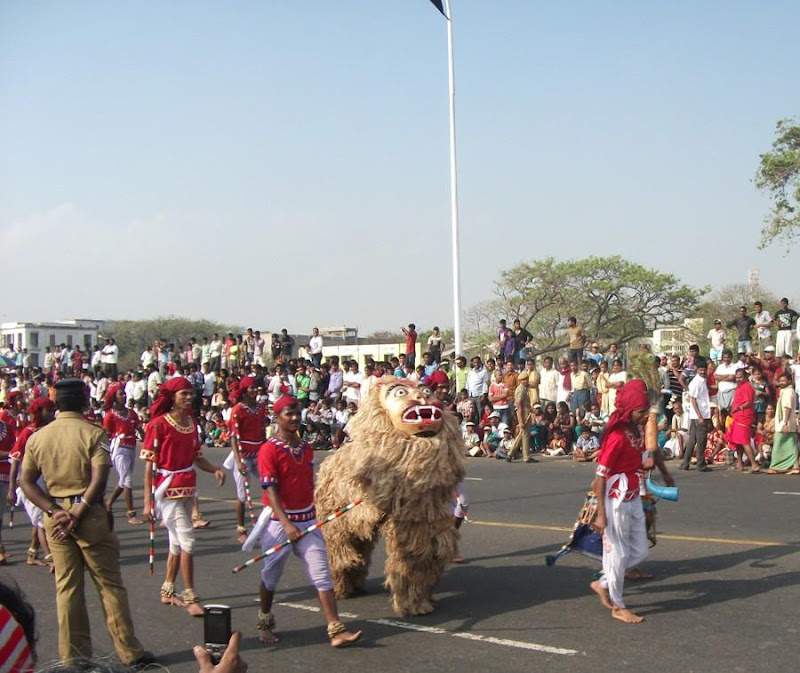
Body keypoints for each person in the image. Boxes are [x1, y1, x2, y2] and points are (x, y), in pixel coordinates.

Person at [19, 378, 153, 665]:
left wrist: (54, 510)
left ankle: (74, 658)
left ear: (57, 404)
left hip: (55, 518)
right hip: (88, 513)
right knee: (109, 585)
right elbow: (100, 477)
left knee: (67, 588)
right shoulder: (94, 434)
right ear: (83, 402)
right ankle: (129, 652)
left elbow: (27, 482)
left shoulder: (38, 437)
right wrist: (79, 510)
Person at [255, 395, 362, 647]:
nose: (293, 418)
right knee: (271, 575)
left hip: (307, 519)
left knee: (322, 574)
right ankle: (264, 622)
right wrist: (287, 524)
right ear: (277, 417)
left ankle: (335, 630)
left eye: (296, 413)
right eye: (288, 414)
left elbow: (306, 484)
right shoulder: (268, 449)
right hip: (278, 522)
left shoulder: (305, 448)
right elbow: (271, 491)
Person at [141, 377, 226, 617]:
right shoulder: (158, 425)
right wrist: (147, 502)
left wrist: (215, 469)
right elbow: (149, 465)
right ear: (172, 397)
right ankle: (190, 595)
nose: (189, 398)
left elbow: (197, 458)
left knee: (176, 543)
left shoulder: (191, 422)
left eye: (190, 393)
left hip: (188, 487)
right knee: (188, 541)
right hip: (167, 491)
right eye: (183, 394)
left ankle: (168, 590)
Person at [589, 379, 673, 624]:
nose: (644, 415)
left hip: (634, 495)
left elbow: (643, 456)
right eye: (641, 411)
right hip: (616, 500)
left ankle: (603, 582)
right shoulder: (616, 437)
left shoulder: (635, 431)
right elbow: (600, 476)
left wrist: (658, 470)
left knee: (639, 551)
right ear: (628, 411)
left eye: (646, 410)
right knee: (617, 555)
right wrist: (601, 514)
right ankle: (618, 605)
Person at [7, 398, 56, 569]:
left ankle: (32, 554)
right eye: (48, 411)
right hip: (29, 485)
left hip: (45, 481)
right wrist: (12, 489)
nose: (52, 414)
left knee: (39, 521)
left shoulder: (51, 430)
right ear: (39, 412)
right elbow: (14, 461)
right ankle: (51, 559)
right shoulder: (27, 433)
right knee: (43, 522)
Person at [226, 376, 267, 543]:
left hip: (259, 453)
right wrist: (238, 460)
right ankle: (241, 529)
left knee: (271, 485)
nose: (254, 390)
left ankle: (269, 525)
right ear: (244, 390)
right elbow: (234, 437)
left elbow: (263, 432)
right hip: (243, 454)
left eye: (256, 387)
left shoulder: (260, 408)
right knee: (242, 494)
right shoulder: (237, 410)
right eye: (251, 388)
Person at [102, 382, 144, 525]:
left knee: (124, 480)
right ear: (114, 397)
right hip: (119, 448)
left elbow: (140, 430)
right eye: (121, 394)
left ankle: (109, 502)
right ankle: (131, 513)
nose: (124, 396)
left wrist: (147, 443)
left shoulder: (131, 413)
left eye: (124, 393)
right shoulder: (109, 416)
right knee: (127, 480)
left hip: (131, 447)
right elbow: (106, 436)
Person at [681, 357, 712, 472]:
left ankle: (685, 463)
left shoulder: (702, 381)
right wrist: (700, 416)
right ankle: (700, 464)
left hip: (698, 414)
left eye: (704, 369)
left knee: (692, 440)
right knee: (701, 440)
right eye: (700, 370)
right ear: (696, 369)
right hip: (699, 415)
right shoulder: (696, 382)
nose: (703, 372)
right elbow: (693, 400)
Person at [726, 368, 760, 473]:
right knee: (737, 442)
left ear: (745, 377)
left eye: (740, 377)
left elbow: (748, 402)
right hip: (737, 417)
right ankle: (739, 463)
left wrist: (739, 408)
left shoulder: (747, 387)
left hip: (744, 417)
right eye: (736, 377)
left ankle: (754, 464)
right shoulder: (739, 387)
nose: (738, 379)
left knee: (744, 441)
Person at [766, 372, 799, 474]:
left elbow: (787, 408)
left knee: (778, 446)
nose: (781, 383)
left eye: (783, 381)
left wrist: (784, 423)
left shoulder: (788, 392)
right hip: (787, 423)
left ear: (789, 381)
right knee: (791, 445)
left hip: (785, 424)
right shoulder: (786, 391)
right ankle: (794, 466)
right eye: (780, 381)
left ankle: (775, 466)